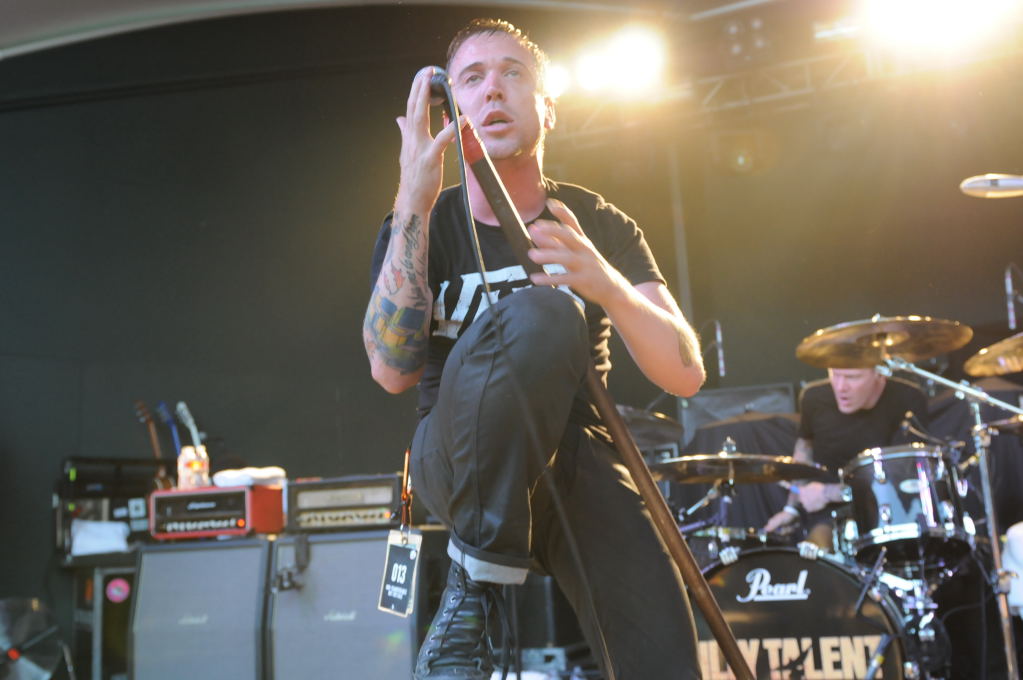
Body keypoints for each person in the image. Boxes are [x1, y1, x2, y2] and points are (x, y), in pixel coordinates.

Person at [363, 18, 706, 680]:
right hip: (454, 450)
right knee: (545, 311)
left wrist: (605, 284)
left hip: (576, 459)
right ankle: (477, 581)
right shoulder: (420, 223)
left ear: (547, 109)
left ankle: (474, 577)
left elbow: (685, 374)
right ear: (450, 115)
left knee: (663, 658)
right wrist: (412, 197)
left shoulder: (594, 220)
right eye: (471, 79)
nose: (492, 89)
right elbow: (390, 371)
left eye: (512, 74)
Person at [763, 367, 927, 548]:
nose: (841, 387)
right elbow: (804, 452)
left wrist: (827, 493)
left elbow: (903, 479)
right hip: (829, 515)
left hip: (888, 512)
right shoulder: (814, 397)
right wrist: (791, 508)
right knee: (814, 552)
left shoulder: (907, 398)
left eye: (852, 377)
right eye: (835, 375)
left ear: (878, 373)